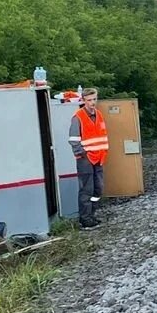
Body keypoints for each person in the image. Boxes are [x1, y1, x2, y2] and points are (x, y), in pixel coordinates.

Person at [67, 88, 109, 229]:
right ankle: (85, 219)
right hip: (85, 158)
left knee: (98, 188)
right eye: (89, 100)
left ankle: (91, 214)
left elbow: (102, 136)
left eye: (94, 99)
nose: (92, 103)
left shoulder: (99, 115)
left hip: (99, 157)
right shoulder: (78, 117)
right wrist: (82, 154)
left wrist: (103, 152)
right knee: (87, 190)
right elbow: (73, 140)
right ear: (83, 100)